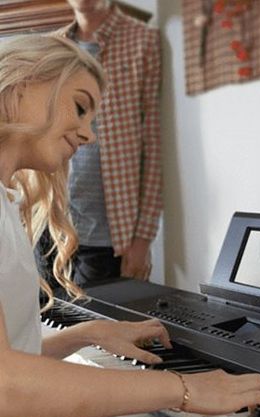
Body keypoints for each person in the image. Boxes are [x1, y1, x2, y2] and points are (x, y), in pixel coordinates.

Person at [0, 33, 260, 417]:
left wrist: (84, 334)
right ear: (19, 87)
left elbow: (9, 358)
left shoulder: (5, 200)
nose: (89, 135)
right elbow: (6, 386)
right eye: (79, 107)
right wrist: (183, 388)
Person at [53, 0, 162, 287]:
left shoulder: (142, 41)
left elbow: (153, 145)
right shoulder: (54, 47)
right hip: (52, 230)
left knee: (99, 328)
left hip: (110, 240)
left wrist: (142, 240)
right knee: (45, 328)